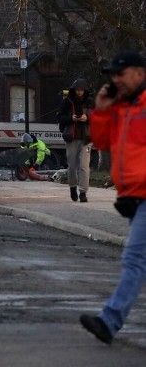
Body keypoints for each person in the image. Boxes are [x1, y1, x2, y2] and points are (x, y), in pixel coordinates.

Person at [80, 50, 146, 345]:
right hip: (133, 198)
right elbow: (104, 142)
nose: (116, 79)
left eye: (121, 74)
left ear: (140, 73)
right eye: (113, 75)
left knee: (134, 259)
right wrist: (102, 109)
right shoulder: (121, 107)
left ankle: (109, 320)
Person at [57, 78, 92, 202]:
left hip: (86, 138)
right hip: (71, 138)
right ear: (74, 90)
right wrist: (71, 118)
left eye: (82, 90)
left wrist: (86, 118)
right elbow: (59, 117)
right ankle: (72, 187)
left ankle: (83, 192)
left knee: (84, 166)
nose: (79, 92)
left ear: (85, 91)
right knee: (72, 167)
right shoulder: (67, 102)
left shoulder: (90, 102)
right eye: (77, 90)